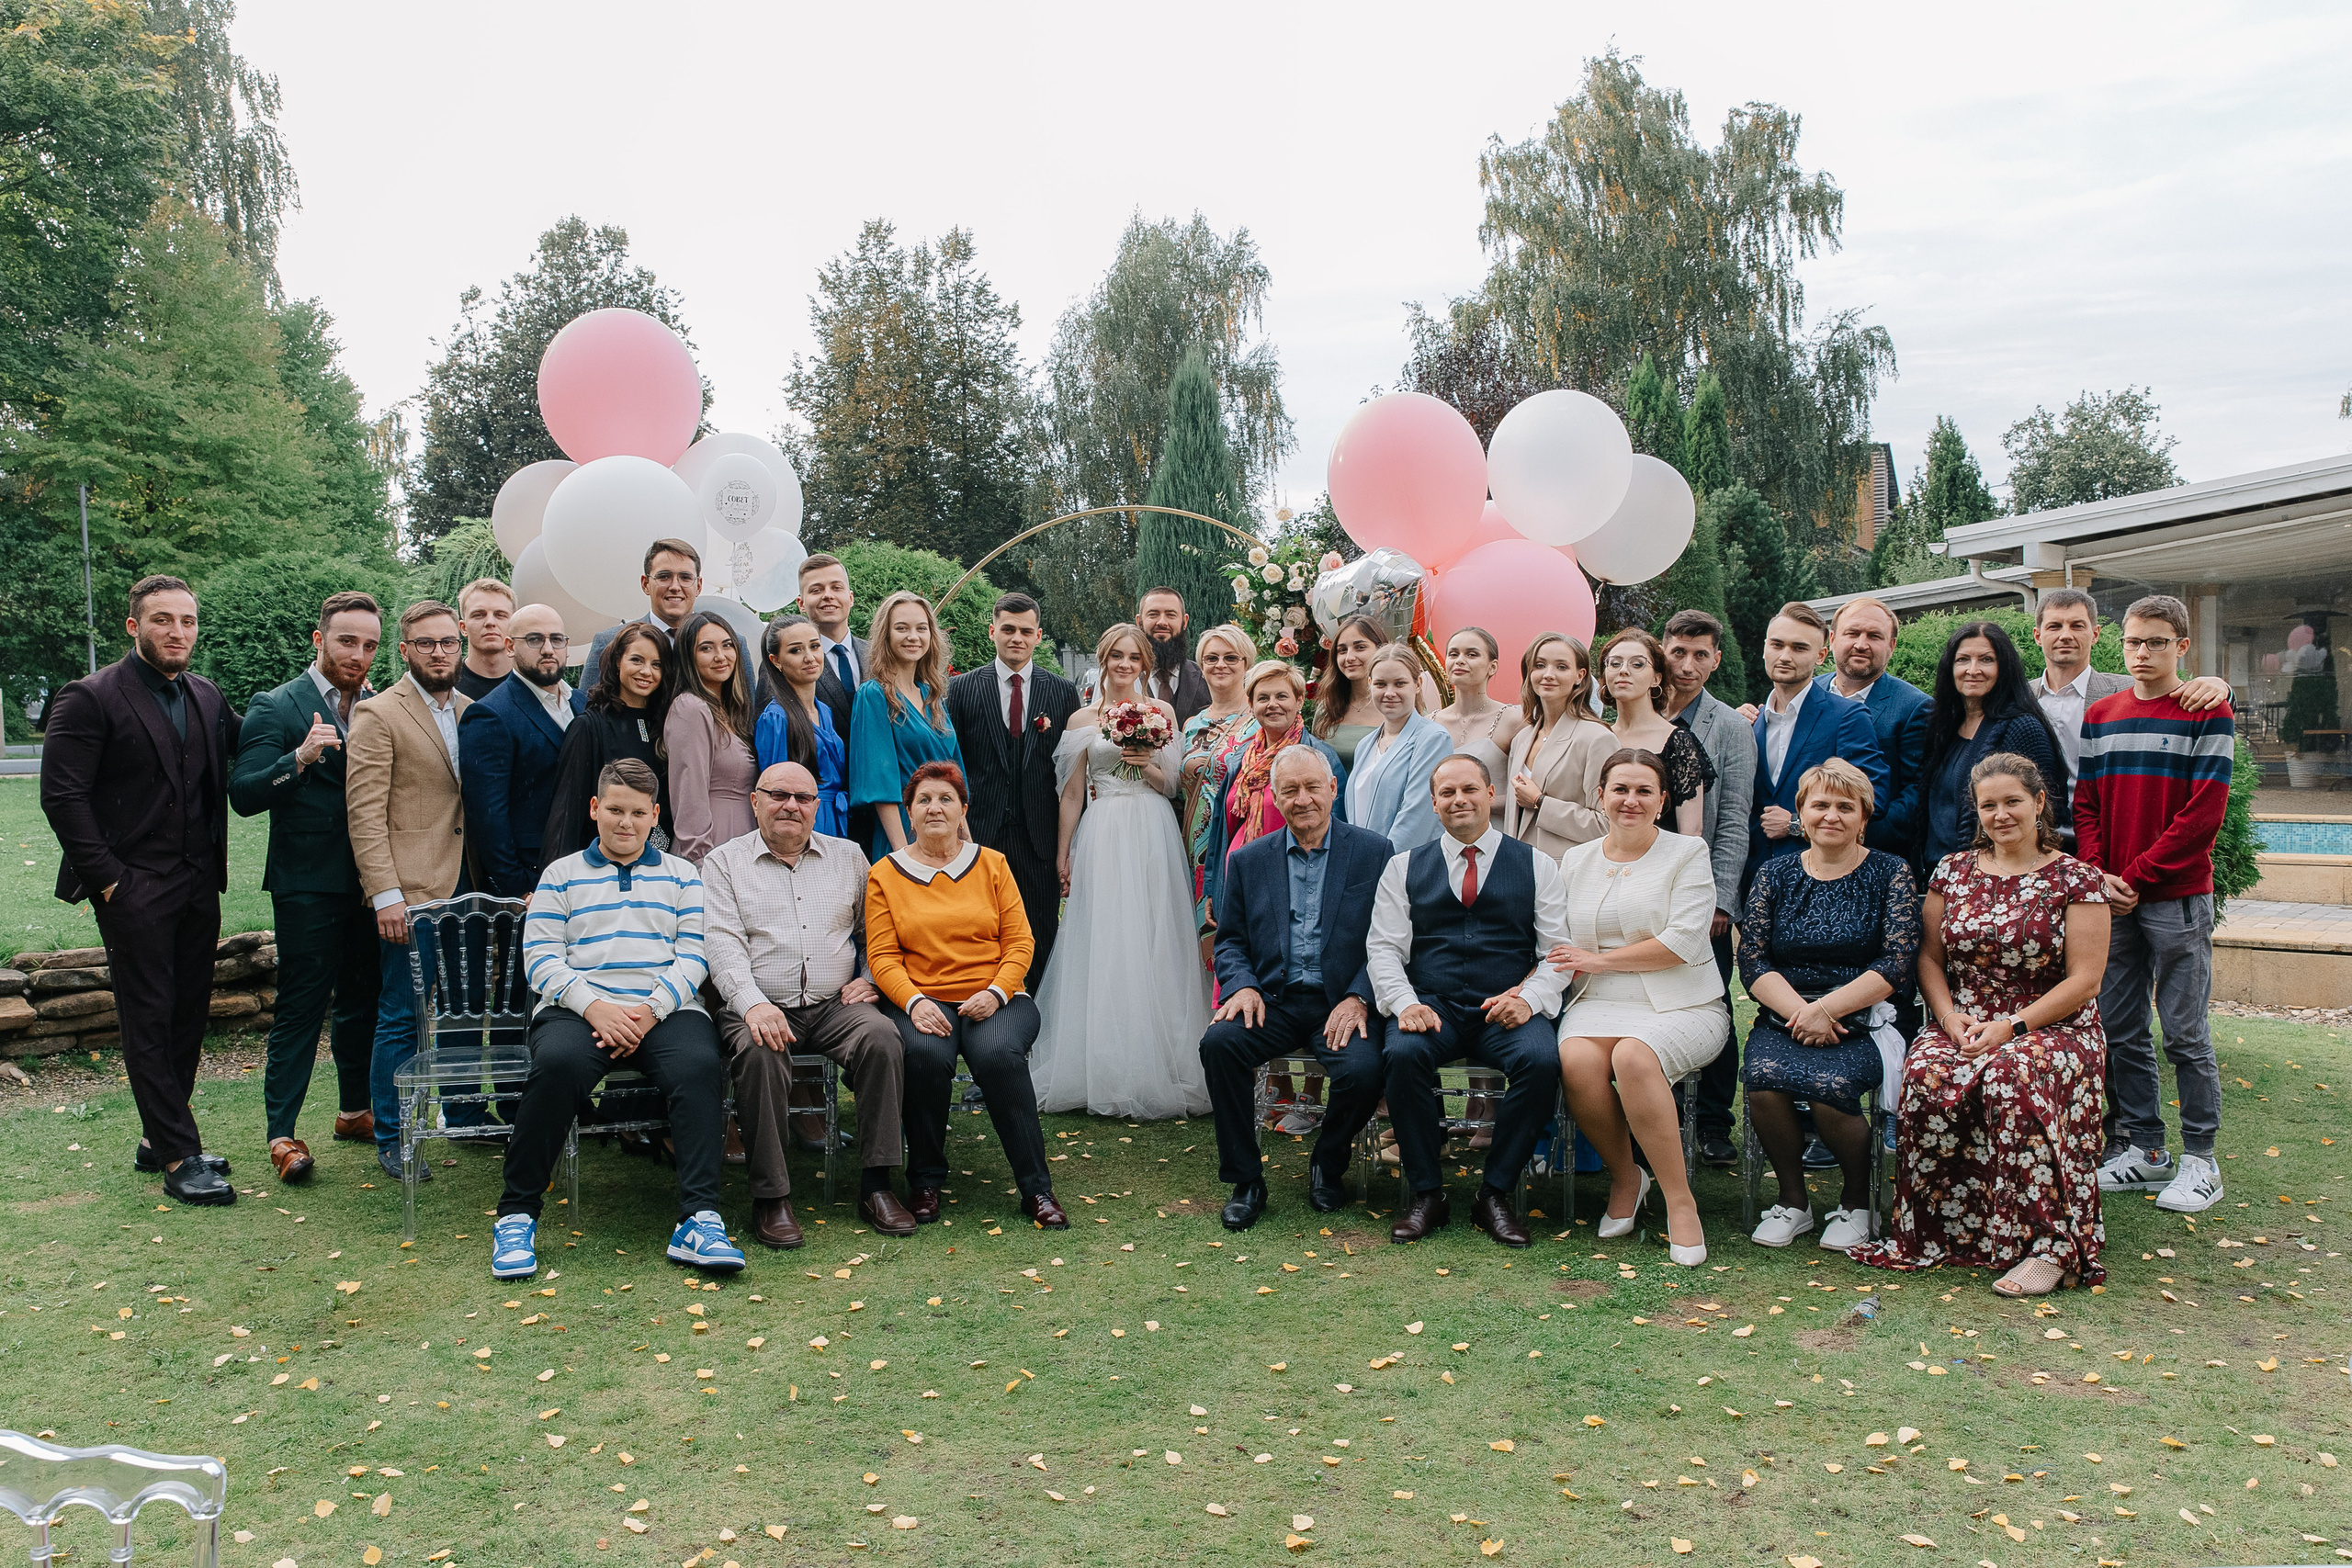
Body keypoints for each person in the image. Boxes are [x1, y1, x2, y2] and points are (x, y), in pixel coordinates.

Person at [1851, 753, 2110, 1297]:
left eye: (2013, 801)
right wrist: (1947, 1019)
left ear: (2039, 803)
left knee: (2011, 1076)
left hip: (2053, 1026)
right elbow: (1929, 959)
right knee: (1925, 1075)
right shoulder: (1953, 870)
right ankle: (1943, 1232)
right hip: (1963, 1021)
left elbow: (2085, 980)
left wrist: (2012, 1027)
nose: (2001, 814)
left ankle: (2049, 1247)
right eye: (1988, 805)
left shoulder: (2077, 879)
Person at [491, 758, 741, 1280]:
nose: (625, 823)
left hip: (664, 1009)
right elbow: (540, 958)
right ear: (594, 809)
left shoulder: (684, 876)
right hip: (579, 1010)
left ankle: (700, 1219)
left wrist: (649, 1011)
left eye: (636, 813)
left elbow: (694, 956)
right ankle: (516, 1215)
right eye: (614, 810)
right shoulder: (560, 876)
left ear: (655, 816)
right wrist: (596, 1008)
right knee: (557, 1067)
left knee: (699, 1067)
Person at [40, 575, 242, 1205]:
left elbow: (250, 746)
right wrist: (109, 881)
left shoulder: (206, 695)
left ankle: (160, 1134)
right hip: (130, 885)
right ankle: (180, 1156)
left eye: (186, 621)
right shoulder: (89, 697)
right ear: (134, 626)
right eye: (162, 620)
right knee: (149, 1013)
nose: (177, 631)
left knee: (187, 1011)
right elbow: (63, 796)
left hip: (197, 883)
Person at [702, 761, 912, 1246]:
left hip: (835, 1002)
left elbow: (875, 934)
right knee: (759, 1054)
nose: (790, 806)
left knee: (882, 1038)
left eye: (802, 798)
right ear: (755, 801)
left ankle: (877, 1185)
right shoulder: (723, 863)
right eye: (777, 795)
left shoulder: (850, 857)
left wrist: (870, 978)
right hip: (757, 1002)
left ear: (817, 807)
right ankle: (772, 1198)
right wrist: (752, 1004)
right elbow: (721, 944)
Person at [1367, 755, 1571, 1248]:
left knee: (1542, 1060)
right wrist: (1403, 1002)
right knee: (1403, 1054)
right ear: (1434, 805)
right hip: (1432, 1003)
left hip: (1505, 1005)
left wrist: (1531, 999)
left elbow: (1557, 953)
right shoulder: (1403, 867)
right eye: (1447, 793)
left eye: (1469, 790)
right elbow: (1384, 947)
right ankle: (1426, 1193)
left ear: (1490, 794)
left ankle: (1495, 1193)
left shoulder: (1536, 864)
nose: (1459, 800)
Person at [2076, 594, 2235, 1214]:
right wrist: (2098, 874)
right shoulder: (2102, 714)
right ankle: (2145, 1149)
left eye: (2157, 642)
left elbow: (2203, 814)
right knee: (2119, 1027)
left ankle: (2202, 1158)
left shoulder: (2207, 710)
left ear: (2183, 648)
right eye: (2134, 642)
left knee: (2185, 1032)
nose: (2143, 652)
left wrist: (2136, 875)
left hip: (2175, 897)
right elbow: (2085, 803)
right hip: (2114, 899)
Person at [865, 762, 1064, 1229]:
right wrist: (913, 1002)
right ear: (909, 814)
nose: (935, 808)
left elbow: (1021, 943)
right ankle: (926, 1181)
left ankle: (1036, 1189)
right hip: (922, 1001)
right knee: (924, 1056)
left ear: (963, 811)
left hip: (998, 997)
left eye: (946, 799)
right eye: (924, 801)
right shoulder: (885, 874)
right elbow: (883, 957)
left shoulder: (991, 864)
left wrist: (996, 992)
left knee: (995, 1055)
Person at [1553, 749, 1733, 1265]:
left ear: (1662, 801)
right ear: (1601, 796)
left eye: (1643, 791)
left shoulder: (1688, 853)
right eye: (1620, 790)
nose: (1630, 800)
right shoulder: (1576, 860)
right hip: (1596, 1001)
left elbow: (1683, 941)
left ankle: (1681, 1202)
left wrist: (1600, 960)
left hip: (1683, 1001)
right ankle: (1627, 1176)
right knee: (1577, 1061)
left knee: (1634, 1055)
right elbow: (1559, 942)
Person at [228, 590, 385, 1181]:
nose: (359, 654)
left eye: (370, 645)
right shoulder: (276, 705)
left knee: (362, 1002)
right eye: (347, 641)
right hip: (307, 884)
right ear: (319, 640)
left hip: (372, 881)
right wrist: (299, 757)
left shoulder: (380, 704)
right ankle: (282, 1135)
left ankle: (354, 1111)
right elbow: (242, 795)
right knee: (301, 1006)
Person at [1201, 747, 1392, 1229]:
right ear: (1275, 797)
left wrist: (1359, 995)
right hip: (1272, 1001)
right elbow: (1230, 942)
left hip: (1341, 1002)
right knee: (1220, 1046)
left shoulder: (1375, 852)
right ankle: (1246, 1180)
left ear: (1334, 788)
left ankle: (1327, 1163)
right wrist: (1241, 986)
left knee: (1364, 1071)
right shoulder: (1248, 860)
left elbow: (1391, 939)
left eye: (1312, 787)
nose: (1302, 799)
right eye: (1290, 790)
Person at [1029, 623, 1214, 1117]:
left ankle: (1166, 1060)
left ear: (1144, 665)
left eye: (1134, 657)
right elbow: (1070, 794)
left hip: (1152, 829)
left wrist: (1146, 761)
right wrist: (1063, 853)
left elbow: (1172, 785)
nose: (1125, 665)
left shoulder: (1163, 714)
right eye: (1117, 656)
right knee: (1107, 938)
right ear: (1104, 660)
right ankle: (1103, 1064)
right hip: (1104, 829)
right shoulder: (1080, 720)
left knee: (1156, 936)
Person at [1736, 760, 1920, 1251]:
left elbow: (1898, 960)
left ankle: (1856, 1203)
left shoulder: (1891, 872)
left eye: (1846, 806)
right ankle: (1794, 1202)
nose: (1831, 815)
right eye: (1820, 805)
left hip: (1864, 1018)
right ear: (1802, 812)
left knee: (1828, 1086)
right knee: (1765, 1081)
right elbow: (1752, 958)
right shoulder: (1774, 874)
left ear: (1865, 817)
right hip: (1786, 1013)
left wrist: (1829, 1011)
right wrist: (1803, 1013)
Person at [347, 600, 474, 1181]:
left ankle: (458, 1115)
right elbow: (365, 813)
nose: (440, 652)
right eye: (427, 644)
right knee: (401, 1014)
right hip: (411, 891)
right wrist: (385, 894)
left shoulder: (473, 710)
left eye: (449, 642)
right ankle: (395, 1138)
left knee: (458, 1013)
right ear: (405, 650)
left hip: (467, 886)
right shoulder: (379, 713)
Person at [1659, 609, 1757, 1169]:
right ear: (1663, 652)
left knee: (1710, 1002)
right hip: (1644, 887)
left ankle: (1715, 1121)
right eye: (1679, 652)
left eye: (1701, 655)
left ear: (1716, 660)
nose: (1689, 664)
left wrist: (1722, 898)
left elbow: (1736, 818)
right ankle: (1663, 1112)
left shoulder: (1729, 727)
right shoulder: (1635, 715)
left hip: (1702, 894)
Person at [947, 592, 1080, 984]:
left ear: (1039, 636)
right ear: (993, 632)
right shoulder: (963, 688)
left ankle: (1038, 1029)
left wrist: (1065, 847)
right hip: (981, 833)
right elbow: (953, 764)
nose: (1016, 638)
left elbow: (1070, 773)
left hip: (1039, 837)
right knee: (980, 932)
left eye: (1025, 631)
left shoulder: (1061, 692)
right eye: (1008, 629)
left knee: (1041, 935)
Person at [1748, 603, 1886, 890]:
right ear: (1764, 648)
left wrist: (1797, 824)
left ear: (1821, 655)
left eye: (1799, 648)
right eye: (1777, 645)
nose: (1785, 656)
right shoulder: (1749, 722)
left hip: (1821, 881)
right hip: (1753, 881)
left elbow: (1874, 798)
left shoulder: (1847, 716)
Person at [2030, 586, 2229, 784]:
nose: (2065, 635)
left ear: (2095, 634)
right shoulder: (2018, 696)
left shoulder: (2131, 690)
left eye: (2077, 626)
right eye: (2054, 626)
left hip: (2104, 813)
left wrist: (2222, 688)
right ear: (2037, 636)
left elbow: (2183, 698)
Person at [1201, 660, 1346, 927]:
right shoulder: (1241, 760)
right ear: (1251, 704)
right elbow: (1222, 827)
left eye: (1282, 696)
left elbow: (1338, 829)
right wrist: (1212, 886)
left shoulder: (1319, 758)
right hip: (1237, 881)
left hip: (1293, 885)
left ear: (1300, 700)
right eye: (1263, 698)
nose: (1272, 704)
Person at [1917, 620, 2069, 873]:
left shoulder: (2022, 728)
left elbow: (2045, 814)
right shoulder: (1942, 727)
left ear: (2004, 667)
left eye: (1986, 660)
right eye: (1963, 659)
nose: (1973, 669)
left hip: (1994, 878)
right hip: (1938, 875)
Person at [458, 604, 574, 901]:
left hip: (586, 871)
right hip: (531, 882)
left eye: (557, 639)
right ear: (510, 646)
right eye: (535, 640)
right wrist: (518, 887)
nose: (548, 648)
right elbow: (487, 815)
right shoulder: (489, 714)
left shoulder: (584, 704)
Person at [543, 622, 676, 864]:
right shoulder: (589, 726)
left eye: (656, 664)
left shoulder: (667, 725)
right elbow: (566, 813)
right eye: (637, 660)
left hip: (657, 868)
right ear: (617, 662)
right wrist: (558, 884)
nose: (647, 671)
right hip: (600, 868)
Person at [847, 590, 966, 860]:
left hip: (945, 829)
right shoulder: (874, 695)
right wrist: (904, 856)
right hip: (904, 830)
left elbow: (955, 781)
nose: (913, 637)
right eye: (902, 628)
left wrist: (965, 842)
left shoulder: (931, 695)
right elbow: (882, 785)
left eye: (921, 628)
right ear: (886, 635)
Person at [1820, 598, 1934, 861]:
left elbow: (1918, 793)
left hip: (1876, 856)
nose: (1861, 644)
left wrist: (1850, 833)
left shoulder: (1916, 707)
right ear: (1833, 639)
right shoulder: (1807, 695)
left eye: (1874, 636)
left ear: (1891, 646)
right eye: (1852, 633)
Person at [1502, 632, 1614, 857]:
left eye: (1561, 667)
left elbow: (1607, 825)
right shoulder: (1521, 739)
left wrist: (1540, 802)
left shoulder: (1598, 739)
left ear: (1579, 676)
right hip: (1518, 872)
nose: (1548, 675)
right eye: (1540, 665)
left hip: (1567, 875)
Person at [1181, 624, 1258, 945]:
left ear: (1246, 664)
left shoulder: (1259, 719)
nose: (1220, 665)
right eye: (1211, 658)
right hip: (1192, 846)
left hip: (1237, 839)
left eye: (1231, 658)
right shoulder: (1191, 724)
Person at [1597, 627, 1712, 838]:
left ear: (1656, 679)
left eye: (1638, 664)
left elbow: (1691, 831)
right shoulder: (1597, 737)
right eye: (1615, 663)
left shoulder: (1678, 741)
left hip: (1662, 864)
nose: (1623, 670)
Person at [665, 610, 758, 864]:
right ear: (688, 658)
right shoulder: (690, 708)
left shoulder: (730, 711)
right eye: (706, 648)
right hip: (712, 850)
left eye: (727, 645)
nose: (721, 656)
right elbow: (689, 796)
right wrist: (700, 863)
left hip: (743, 843)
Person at [1345, 647, 1453, 852]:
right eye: (1380, 684)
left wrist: (1382, 863)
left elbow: (1418, 816)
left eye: (1400, 683)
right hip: (1364, 866)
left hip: (1406, 866)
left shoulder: (1433, 739)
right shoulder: (1364, 745)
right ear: (1370, 685)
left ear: (1418, 684)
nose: (1389, 693)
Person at [753, 614, 848, 837]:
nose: (810, 657)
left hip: (837, 818)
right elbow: (774, 794)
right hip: (801, 826)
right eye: (796, 650)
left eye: (814, 646)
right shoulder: (776, 718)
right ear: (776, 660)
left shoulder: (825, 711)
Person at [578, 538, 704, 690]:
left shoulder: (729, 647)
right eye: (664, 576)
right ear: (645, 584)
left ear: (698, 586)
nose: (675, 586)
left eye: (685, 577)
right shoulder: (609, 642)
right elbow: (588, 707)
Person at [1434, 626, 1526, 829]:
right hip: (1438, 836)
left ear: (1492, 667)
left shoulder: (1514, 720)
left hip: (1496, 833)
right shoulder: (1428, 723)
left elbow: (1528, 791)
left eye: (1472, 654)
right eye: (1453, 654)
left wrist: (1473, 803)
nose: (1459, 660)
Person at [1312, 615, 1393, 775]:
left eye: (1360, 647)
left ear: (1380, 649)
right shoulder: (1327, 708)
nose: (1349, 657)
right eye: (1342, 650)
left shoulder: (1399, 701)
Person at [1138, 585, 1210, 727]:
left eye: (1171, 615)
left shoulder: (1206, 678)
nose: (1162, 622)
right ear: (1139, 621)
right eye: (1153, 614)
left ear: (1185, 621)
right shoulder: (1124, 679)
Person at [453, 577, 515, 702]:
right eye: (479, 615)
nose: (490, 622)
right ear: (463, 627)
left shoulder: (534, 685)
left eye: (500, 615)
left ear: (514, 625)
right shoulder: (447, 687)